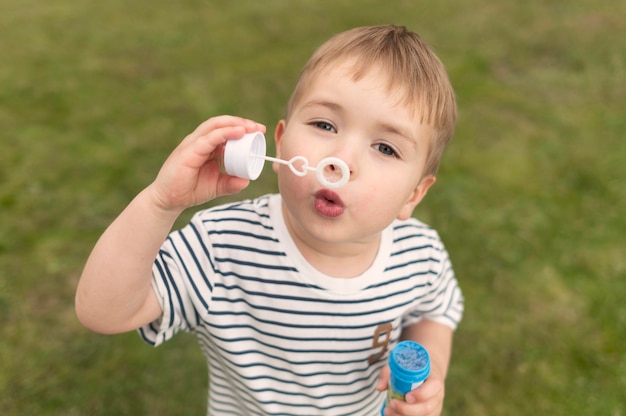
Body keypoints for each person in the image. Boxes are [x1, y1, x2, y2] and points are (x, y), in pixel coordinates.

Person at [75, 25, 464, 416]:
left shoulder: (420, 253)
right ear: (280, 141)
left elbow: (432, 314)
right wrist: (160, 203)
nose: (341, 161)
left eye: (385, 147)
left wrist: (430, 373)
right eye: (324, 125)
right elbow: (104, 311)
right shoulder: (222, 245)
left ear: (413, 194)